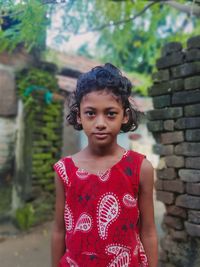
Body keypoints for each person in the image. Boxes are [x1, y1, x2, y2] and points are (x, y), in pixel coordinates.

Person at [51, 63, 158, 267]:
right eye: (91, 113)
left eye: (110, 113)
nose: (100, 123)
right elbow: (58, 230)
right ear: (78, 116)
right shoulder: (64, 170)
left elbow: (149, 231)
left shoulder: (140, 168)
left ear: (125, 116)